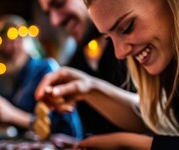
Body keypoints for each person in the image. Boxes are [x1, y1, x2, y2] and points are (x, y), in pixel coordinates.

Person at [36, 0, 179, 150]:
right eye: (109, 38)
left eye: (127, 27)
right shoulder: (172, 63)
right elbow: (155, 116)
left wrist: (125, 141)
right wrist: (88, 87)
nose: (120, 53)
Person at [0, 15, 83, 139]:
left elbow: (57, 126)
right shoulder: (12, 78)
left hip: (67, 147)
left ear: (28, 42)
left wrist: (11, 114)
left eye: (18, 39)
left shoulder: (46, 68)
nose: (12, 46)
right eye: (6, 42)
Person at [38, 0, 132, 136]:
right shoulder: (75, 63)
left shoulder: (135, 45)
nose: (54, 21)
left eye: (59, 4)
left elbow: (159, 122)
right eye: (48, 14)